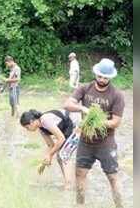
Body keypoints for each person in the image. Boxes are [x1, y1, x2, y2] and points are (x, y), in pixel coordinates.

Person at [64, 58, 125, 208]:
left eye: (106, 77)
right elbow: (67, 104)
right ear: (95, 73)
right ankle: (80, 205)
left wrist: (98, 122)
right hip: (85, 141)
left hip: (106, 143)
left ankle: (120, 205)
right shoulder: (85, 88)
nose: (102, 79)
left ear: (110, 77)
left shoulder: (117, 95)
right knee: (79, 174)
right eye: (100, 76)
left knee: (112, 177)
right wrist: (83, 109)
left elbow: (116, 122)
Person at [20, 109, 81, 190]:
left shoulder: (45, 120)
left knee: (63, 155)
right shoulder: (41, 129)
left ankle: (69, 185)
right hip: (66, 130)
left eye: (27, 127)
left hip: (76, 126)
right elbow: (50, 145)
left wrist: (50, 155)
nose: (28, 130)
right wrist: (44, 163)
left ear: (31, 122)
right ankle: (68, 182)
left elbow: (61, 139)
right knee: (60, 156)